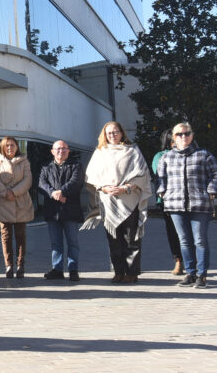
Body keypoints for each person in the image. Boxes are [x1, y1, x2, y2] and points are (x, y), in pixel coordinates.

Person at [84, 121, 152, 284]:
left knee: (131, 239)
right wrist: (104, 188)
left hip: (129, 201)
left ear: (121, 133)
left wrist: (126, 188)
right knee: (113, 240)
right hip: (109, 203)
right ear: (104, 135)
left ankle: (132, 273)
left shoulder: (132, 150)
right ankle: (118, 271)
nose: (112, 135)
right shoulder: (100, 152)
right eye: (109, 133)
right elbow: (91, 176)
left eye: (115, 132)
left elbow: (142, 174)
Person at [157, 122, 217, 289]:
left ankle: (202, 275)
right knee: (184, 241)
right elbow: (160, 178)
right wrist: (162, 191)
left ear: (192, 135)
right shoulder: (167, 157)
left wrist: (211, 190)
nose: (183, 137)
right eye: (179, 134)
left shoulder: (204, 155)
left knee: (200, 240)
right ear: (174, 137)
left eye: (187, 133)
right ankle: (190, 272)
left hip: (200, 204)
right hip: (175, 204)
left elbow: (216, 174)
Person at [0, 137, 34, 279]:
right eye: (7, 145)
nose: (10, 148)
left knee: (21, 236)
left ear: (16, 147)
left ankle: (20, 265)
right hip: (3, 203)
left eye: (12, 145)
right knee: (6, 236)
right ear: (3, 147)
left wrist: (14, 192)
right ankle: (9, 266)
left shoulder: (24, 161)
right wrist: (5, 192)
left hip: (21, 203)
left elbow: (28, 180)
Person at [38, 140, 84, 281]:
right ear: (52, 151)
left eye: (64, 149)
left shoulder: (76, 165)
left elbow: (76, 182)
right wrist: (54, 193)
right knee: (56, 243)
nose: (61, 151)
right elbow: (42, 184)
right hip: (53, 211)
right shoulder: (46, 166)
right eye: (58, 149)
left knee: (73, 242)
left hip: (71, 210)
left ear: (68, 151)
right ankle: (57, 269)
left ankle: (73, 270)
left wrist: (62, 192)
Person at [151, 129, 185, 276]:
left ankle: (192, 261)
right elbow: (159, 176)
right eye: (174, 140)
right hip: (169, 201)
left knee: (188, 233)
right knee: (174, 232)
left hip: (188, 200)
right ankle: (178, 260)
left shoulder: (190, 154)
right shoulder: (160, 156)